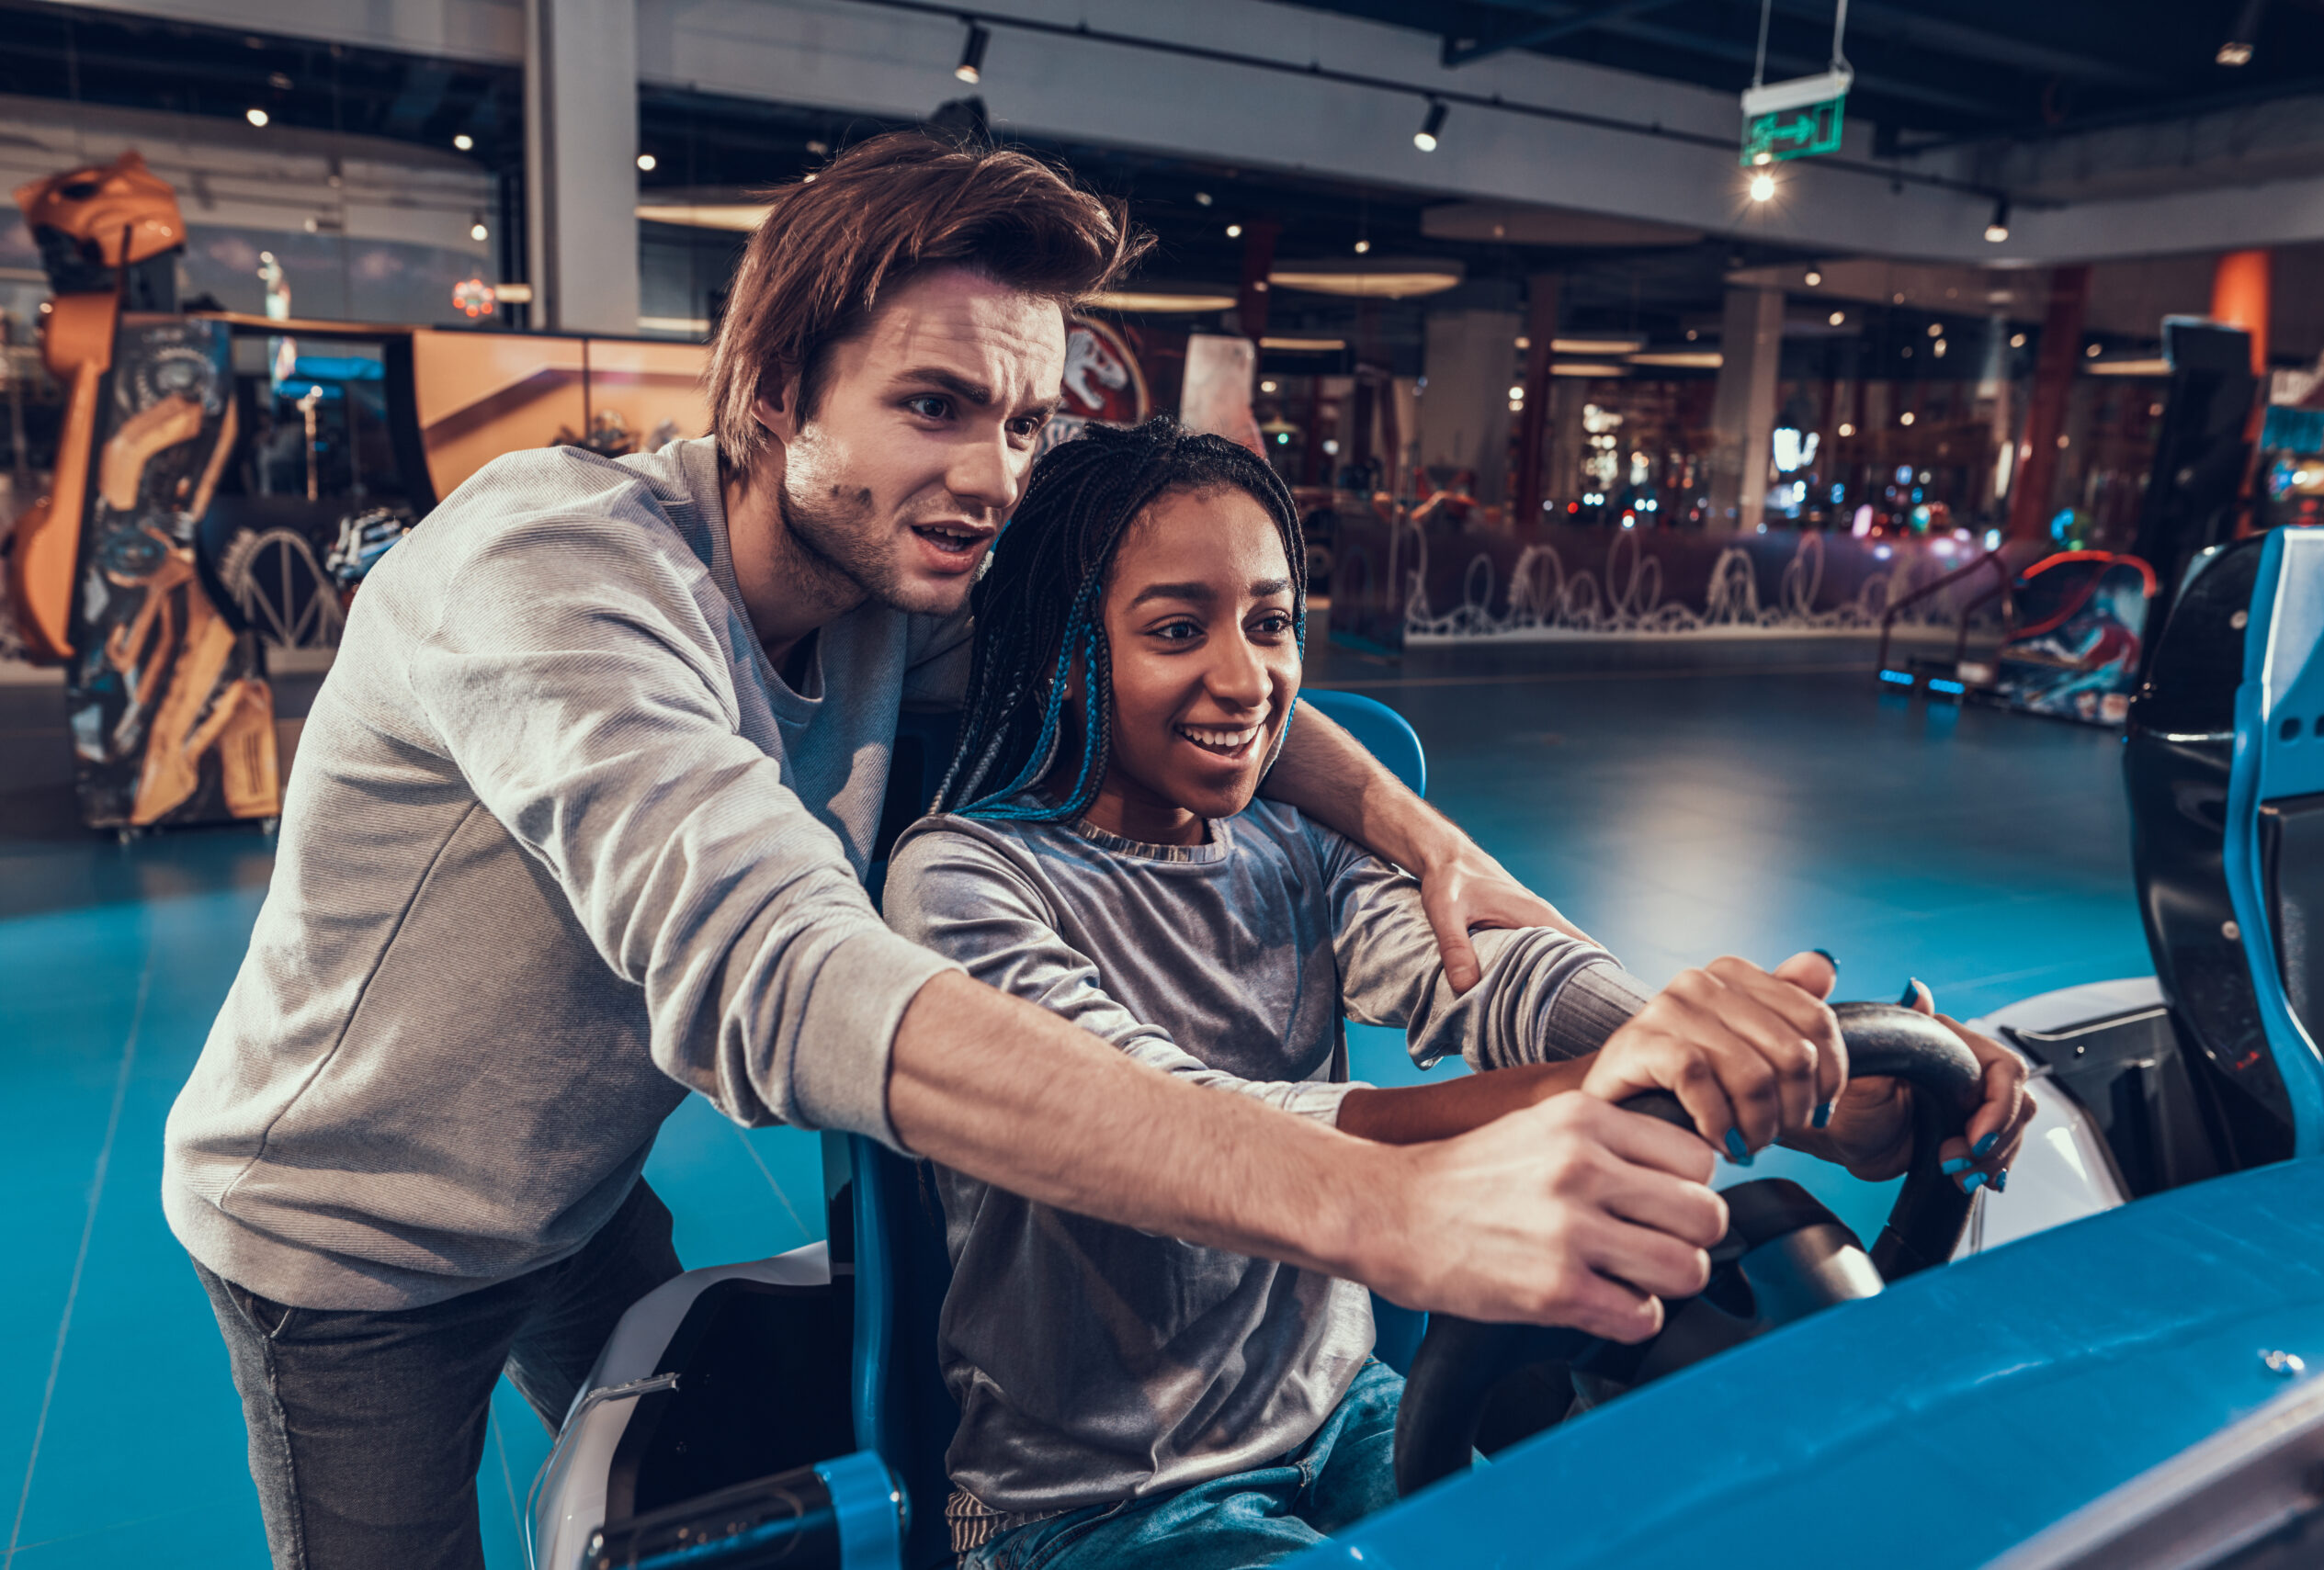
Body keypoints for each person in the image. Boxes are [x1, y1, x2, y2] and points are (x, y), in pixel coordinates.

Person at [157, 132, 1854, 1570]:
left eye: (1026, 422)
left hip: (575, 1171)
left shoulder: (900, 580)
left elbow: (1179, 675)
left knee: (647, 1446)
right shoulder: (552, 576)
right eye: (936, 404)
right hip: (357, 1232)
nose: (992, 474)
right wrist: (1378, 1197)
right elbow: (780, 966)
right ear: (766, 392)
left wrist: (1408, 824)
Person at [883, 417, 2034, 1568]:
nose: (1246, 678)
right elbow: (1186, 1123)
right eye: (1178, 629)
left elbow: (1497, 973)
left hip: (1346, 1417)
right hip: (1095, 1501)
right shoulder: (965, 879)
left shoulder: (1290, 839)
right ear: (1061, 653)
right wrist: (1614, 1081)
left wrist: (1781, 1079)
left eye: (1273, 623)